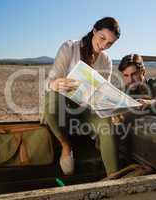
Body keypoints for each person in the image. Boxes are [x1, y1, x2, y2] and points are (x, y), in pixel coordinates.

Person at [44, 17, 120, 175]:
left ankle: (115, 178)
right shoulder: (69, 47)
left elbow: (102, 93)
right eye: (102, 38)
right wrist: (55, 83)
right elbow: (49, 83)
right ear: (94, 31)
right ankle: (66, 146)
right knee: (53, 97)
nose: (104, 45)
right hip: (62, 108)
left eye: (110, 44)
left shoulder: (106, 61)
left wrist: (113, 108)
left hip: (86, 110)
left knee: (106, 122)